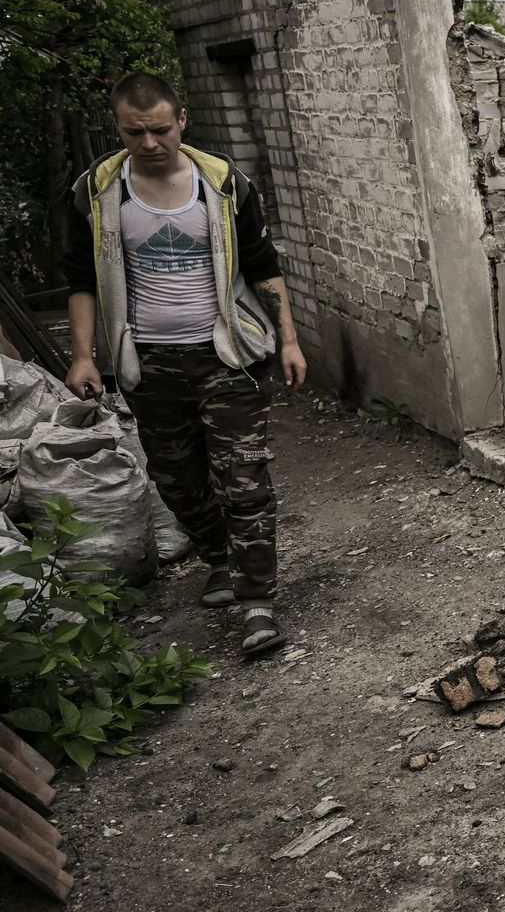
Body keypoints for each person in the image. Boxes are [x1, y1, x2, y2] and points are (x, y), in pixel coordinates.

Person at [62, 72, 306, 657]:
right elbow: (80, 278)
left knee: (244, 480)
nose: (148, 143)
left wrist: (289, 340)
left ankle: (258, 605)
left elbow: (263, 266)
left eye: (159, 129)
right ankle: (220, 559)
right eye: (133, 132)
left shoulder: (222, 185)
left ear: (182, 120)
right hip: (145, 362)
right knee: (177, 479)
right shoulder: (97, 193)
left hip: (228, 355)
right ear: (118, 127)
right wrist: (82, 356)